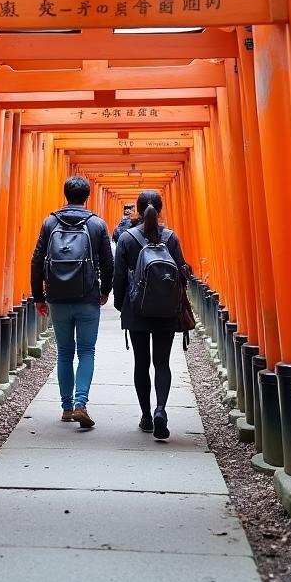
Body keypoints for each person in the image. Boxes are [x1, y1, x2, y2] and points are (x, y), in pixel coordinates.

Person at [31, 175, 114, 429]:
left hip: (57, 296)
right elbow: (108, 263)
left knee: (65, 352)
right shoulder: (97, 224)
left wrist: (39, 296)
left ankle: (66, 408)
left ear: (65, 195)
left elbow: (36, 261)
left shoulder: (49, 222)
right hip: (87, 295)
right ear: (87, 197)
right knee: (86, 351)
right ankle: (81, 403)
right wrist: (105, 291)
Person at [113, 190, 190, 441]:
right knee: (162, 363)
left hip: (137, 309)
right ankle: (161, 409)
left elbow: (119, 277)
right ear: (161, 209)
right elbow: (181, 272)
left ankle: (146, 416)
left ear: (136, 210)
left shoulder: (126, 239)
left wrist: (120, 303)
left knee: (141, 362)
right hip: (166, 310)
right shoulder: (171, 238)